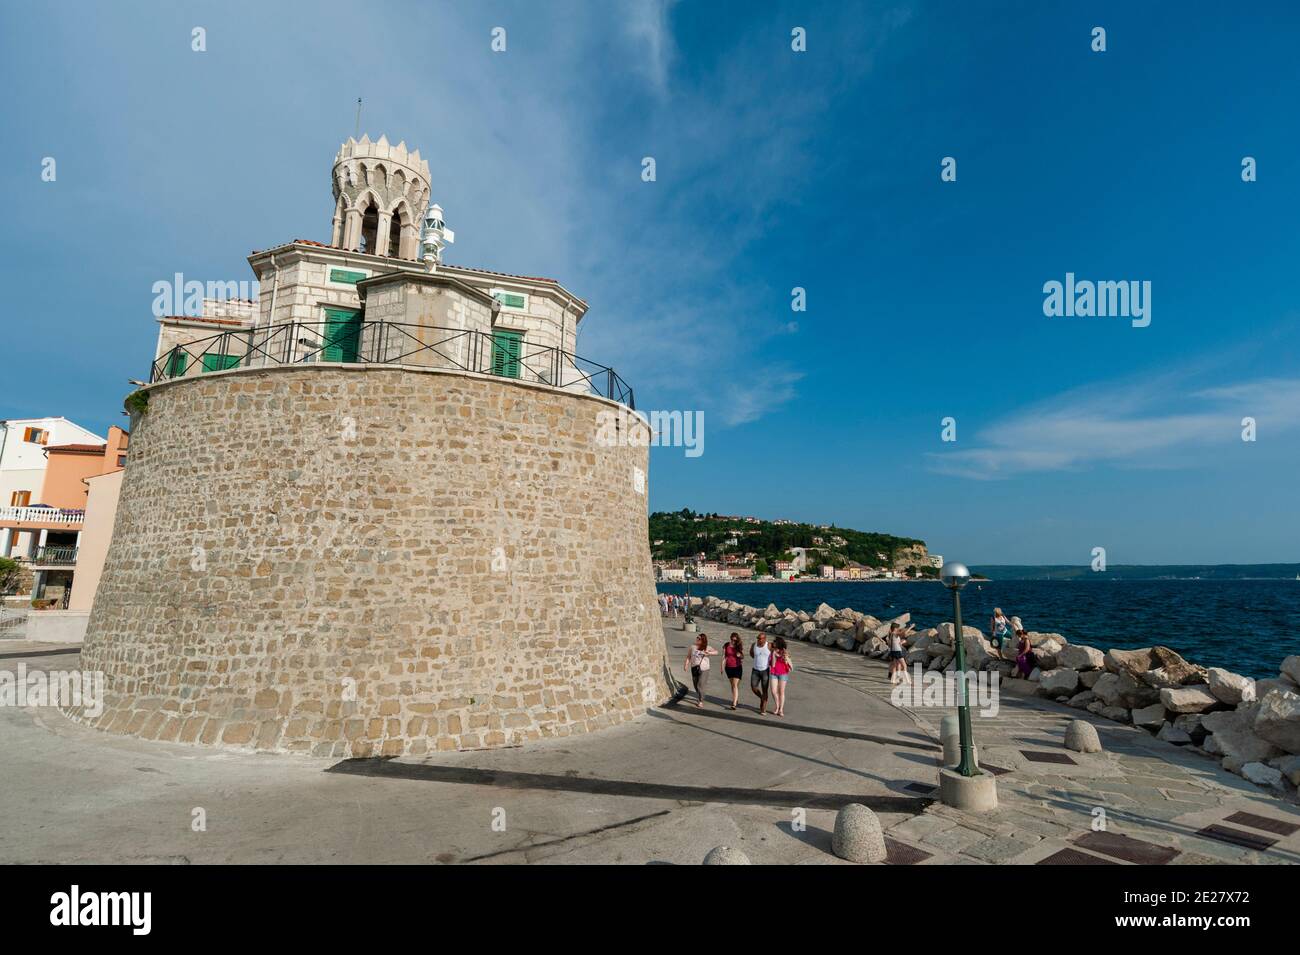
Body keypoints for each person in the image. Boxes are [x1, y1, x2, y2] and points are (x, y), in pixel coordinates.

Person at [684, 634, 718, 707]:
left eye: (699, 638)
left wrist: (709, 653)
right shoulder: (692, 647)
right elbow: (688, 657)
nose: (697, 639)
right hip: (694, 668)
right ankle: (701, 695)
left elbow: (716, 652)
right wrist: (686, 665)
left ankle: (700, 701)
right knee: (696, 685)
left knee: (700, 684)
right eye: (697, 638)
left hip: (704, 668)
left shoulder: (707, 647)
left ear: (703, 640)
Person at [770, 636, 793, 716]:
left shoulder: (784, 652)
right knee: (773, 691)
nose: (773, 643)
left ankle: (781, 709)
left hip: (783, 673)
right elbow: (772, 664)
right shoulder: (773, 651)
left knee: (781, 692)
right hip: (774, 672)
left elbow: (787, 662)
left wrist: (785, 658)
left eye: (775, 642)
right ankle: (777, 706)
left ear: (778, 643)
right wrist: (773, 655)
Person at [750, 631, 772, 714]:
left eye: (760, 638)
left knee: (765, 689)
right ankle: (762, 698)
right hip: (755, 670)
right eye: (758, 638)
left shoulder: (769, 645)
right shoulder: (754, 645)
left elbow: (775, 653)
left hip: (765, 671)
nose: (758, 640)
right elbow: (751, 654)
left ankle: (763, 708)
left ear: (764, 639)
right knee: (753, 687)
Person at [722, 632, 745, 710]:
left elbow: (743, 656)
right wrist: (721, 667)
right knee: (733, 685)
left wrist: (740, 655)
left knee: (735, 685)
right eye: (732, 639)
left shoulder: (738, 646)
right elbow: (724, 657)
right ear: (730, 638)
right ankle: (736, 699)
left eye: (735, 640)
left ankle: (734, 704)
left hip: (737, 667)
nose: (733, 641)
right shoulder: (726, 645)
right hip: (728, 667)